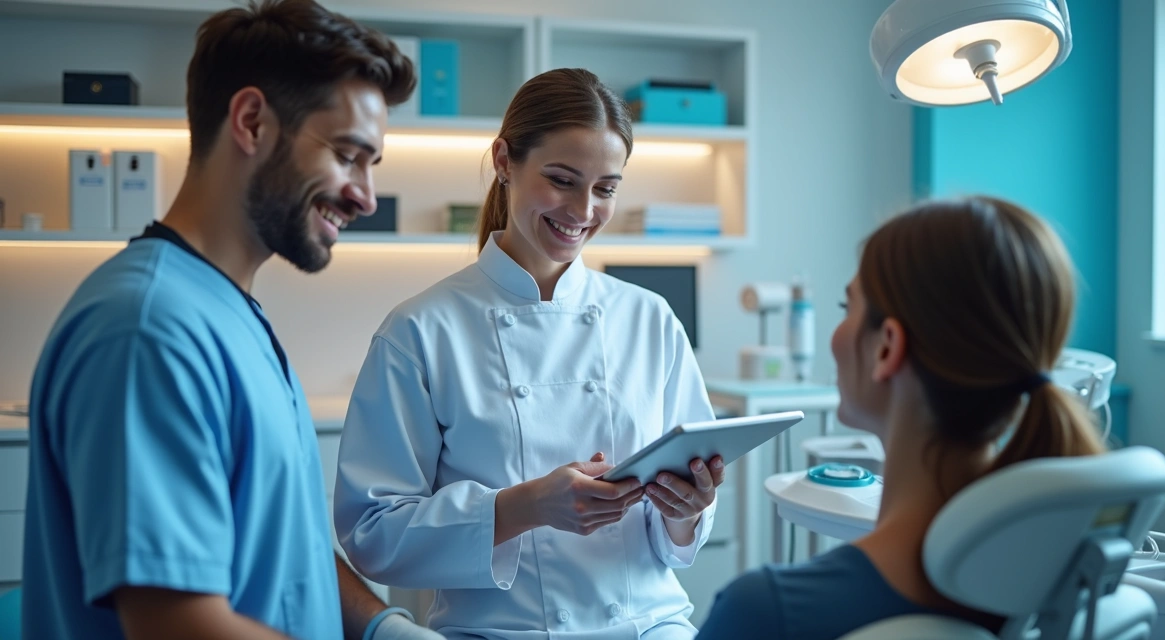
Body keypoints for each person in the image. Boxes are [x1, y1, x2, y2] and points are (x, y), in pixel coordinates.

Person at [21, 1, 442, 638]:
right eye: (348, 155)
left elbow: (281, 548)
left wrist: (385, 629)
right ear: (251, 122)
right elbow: (179, 624)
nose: (365, 195)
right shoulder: (148, 327)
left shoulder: (230, 314)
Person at [334, 68, 725, 640]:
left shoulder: (651, 319)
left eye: (606, 188)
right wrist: (523, 507)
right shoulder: (420, 330)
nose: (583, 210)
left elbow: (685, 530)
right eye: (562, 180)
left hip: (651, 628)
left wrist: (687, 509)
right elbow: (371, 535)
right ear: (503, 161)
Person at [695, 196, 1107, 639]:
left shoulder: (768, 614)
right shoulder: (1062, 593)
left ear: (887, 347)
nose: (836, 336)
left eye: (845, 308)